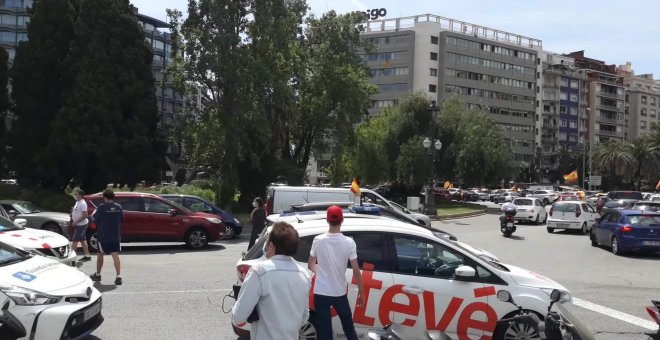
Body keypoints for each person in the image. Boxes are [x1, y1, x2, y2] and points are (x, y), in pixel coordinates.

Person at [232, 222, 311, 340]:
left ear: (272, 245)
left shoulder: (260, 271)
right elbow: (305, 317)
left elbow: (239, 317)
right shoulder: (304, 274)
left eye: (267, 243)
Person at [308, 206, 364, 340]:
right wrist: (362, 293)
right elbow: (356, 270)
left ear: (327, 220)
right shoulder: (349, 242)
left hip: (321, 292)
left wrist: (321, 272)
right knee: (349, 329)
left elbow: (310, 265)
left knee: (325, 333)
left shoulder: (318, 240)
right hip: (339, 292)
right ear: (342, 220)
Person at [90, 190, 123, 285]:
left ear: (104, 197)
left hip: (103, 236)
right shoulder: (119, 207)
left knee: (100, 254)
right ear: (113, 197)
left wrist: (94, 213)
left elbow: (94, 217)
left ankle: (98, 274)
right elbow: (121, 219)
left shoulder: (101, 207)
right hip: (115, 235)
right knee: (115, 255)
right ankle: (118, 275)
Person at [70, 189, 91, 261]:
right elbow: (78, 211)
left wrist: (76, 222)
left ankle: (71, 258)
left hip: (81, 225)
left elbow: (85, 215)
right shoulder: (78, 202)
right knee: (83, 240)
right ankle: (87, 255)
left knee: (75, 241)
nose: (75, 195)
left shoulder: (83, 203)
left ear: (80, 195)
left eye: (77, 194)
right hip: (80, 224)